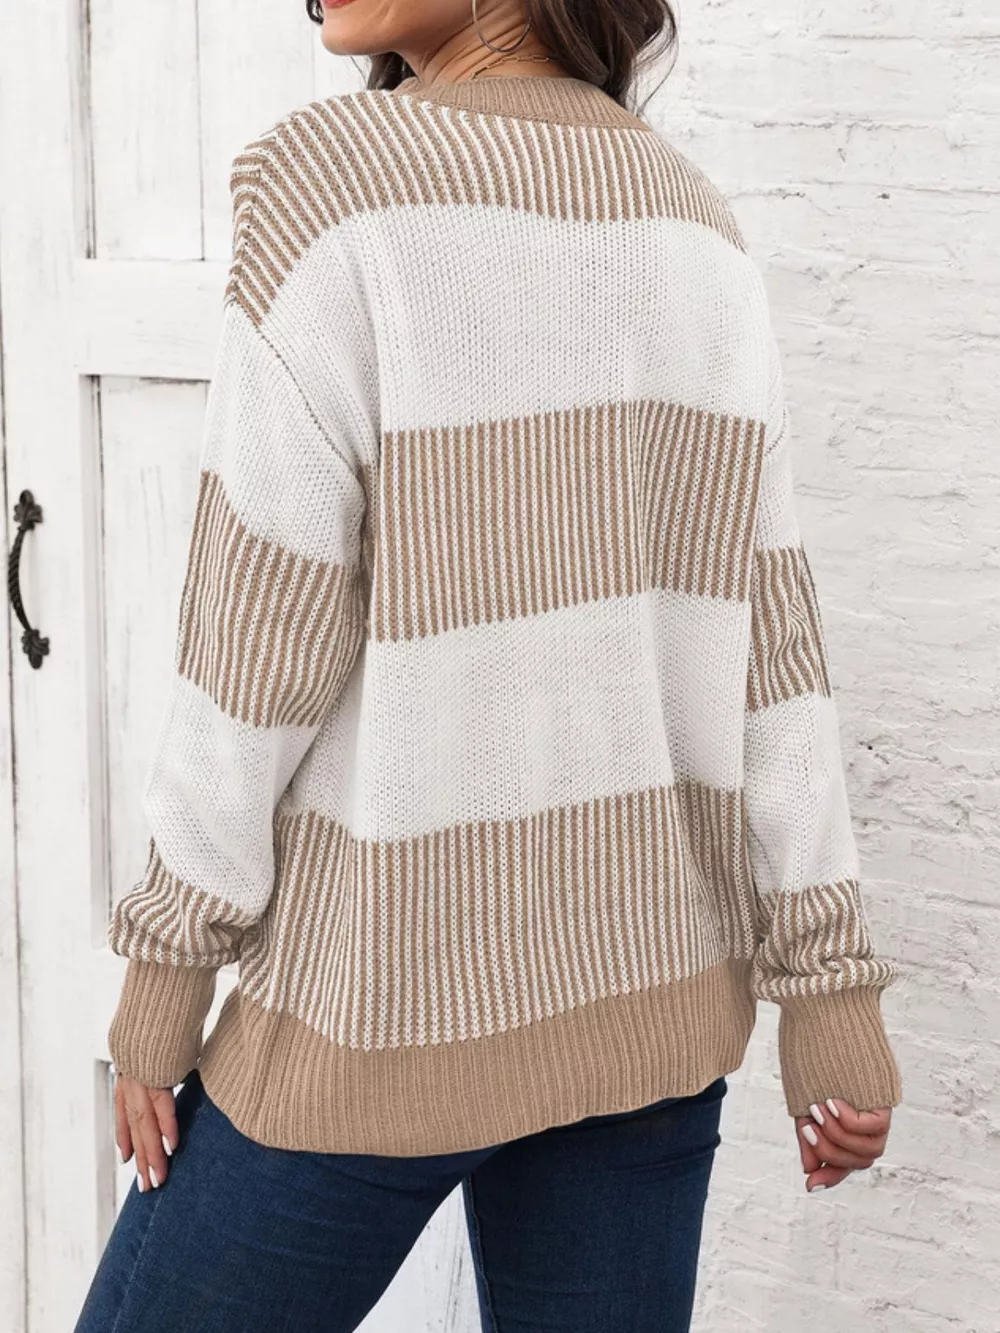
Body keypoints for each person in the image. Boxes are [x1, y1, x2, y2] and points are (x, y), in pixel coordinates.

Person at [75, 1, 903, 1330]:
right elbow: (772, 643)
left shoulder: (335, 186)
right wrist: (829, 986)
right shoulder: (691, 221)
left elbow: (259, 634)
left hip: (378, 1007)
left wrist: (170, 966)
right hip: (647, 1007)